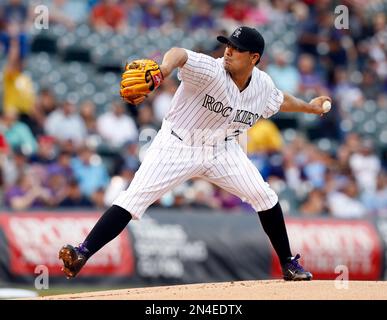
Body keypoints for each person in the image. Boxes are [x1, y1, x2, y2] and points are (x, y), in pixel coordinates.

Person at [59, 26, 332, 281]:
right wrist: (163, 69)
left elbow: (280, 100)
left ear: (254, 58)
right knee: (134, 199)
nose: (228, 50)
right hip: (178, 144)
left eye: (236, 48)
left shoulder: (262, 86)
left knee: (265, 196)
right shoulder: (211, 70)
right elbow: (180, 54)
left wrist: (310, 107)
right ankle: (82, 252)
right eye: (227, 44)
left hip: (222, 149)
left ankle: (288, 263)